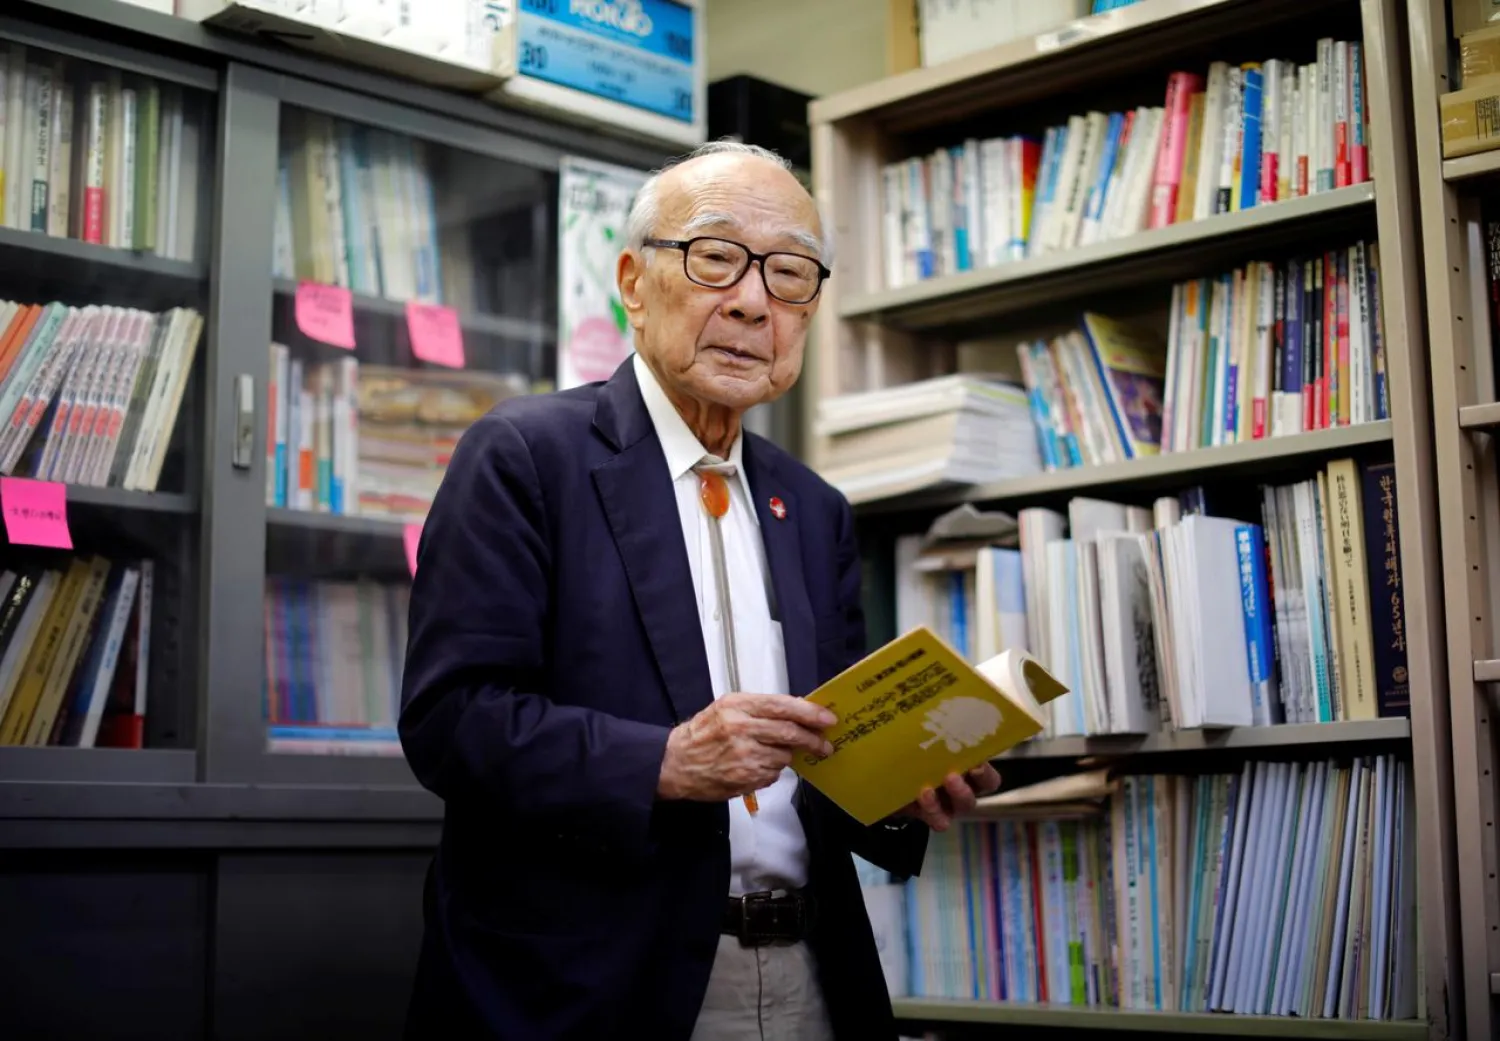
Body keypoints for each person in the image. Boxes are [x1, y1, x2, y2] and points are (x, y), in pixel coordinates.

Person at [397, 140, 1001, 1041]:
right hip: (588, 984)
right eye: (717, 257)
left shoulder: (816, 507)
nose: (754, 300)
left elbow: (826, 748)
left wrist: (900, 785)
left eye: (790, 273)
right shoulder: (525, 455)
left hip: (807, 973)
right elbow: (453, 720)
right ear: (635, 282)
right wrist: (665, 761)